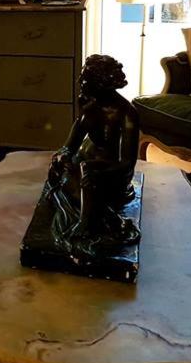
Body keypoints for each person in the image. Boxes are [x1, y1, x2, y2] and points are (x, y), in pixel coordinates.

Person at [46, 54, 141, 257]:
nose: (80, 82)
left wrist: (98, 171)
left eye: (85, 79)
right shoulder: (90, 108)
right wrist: (62, 157)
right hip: (84, 166)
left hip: (111, 171)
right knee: (59, 170)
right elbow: (69, 147)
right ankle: (95, 209)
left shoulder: (126, 114)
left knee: (86, 178)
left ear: (101, 83)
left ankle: (86, 222)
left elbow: (127, 163)